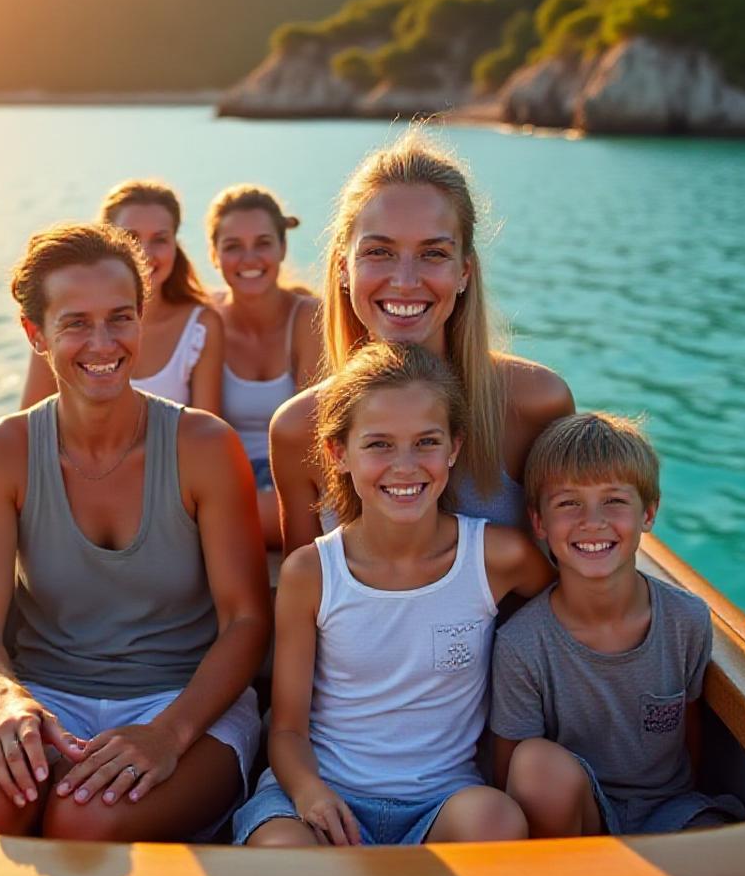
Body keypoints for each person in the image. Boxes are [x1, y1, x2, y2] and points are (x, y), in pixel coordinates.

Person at [0, 222, 270, 841]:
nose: (102, 342)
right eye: (75, 323)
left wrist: (167, 734)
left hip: (182, 702)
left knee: (85, 823)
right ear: (36, 334)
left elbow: (246, 621)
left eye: (121, 318)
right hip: (38, 691)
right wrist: (2, 699)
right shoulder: (1, 453)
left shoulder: (204, 446)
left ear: (143, 321)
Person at [234, 341, 554, 847]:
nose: (404, 466)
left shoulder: (499, 558)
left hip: (444, 798)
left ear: (454, 448)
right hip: (322, 792)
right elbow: (288, 728)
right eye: (379, 444)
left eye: (426, 442)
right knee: (279, 851)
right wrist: (310, 792)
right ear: (338, 454)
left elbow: (566, 617)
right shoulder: (312, 572)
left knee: (497, 822)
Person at [269, 132, 573, 553]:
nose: (406, 281)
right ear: (344, 267)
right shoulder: (297, 428)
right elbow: (306, 596)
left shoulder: (536, 403)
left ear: (464, 271)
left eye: (433, 254)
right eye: (379, 252)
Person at [490, 412, 745, 836]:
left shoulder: (687, 620)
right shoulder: (522, 644)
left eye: (614, 501)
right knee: (535, 763)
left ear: (648, 513)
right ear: (539, 522)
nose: (593, 521)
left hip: (671, 809)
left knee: (722, 838)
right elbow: (509, 774)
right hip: (583, 819)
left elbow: (691, 728)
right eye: (569, 503)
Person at [23, 179, 224, 414]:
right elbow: (29, 426)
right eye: (131, 239)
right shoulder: (61, 328)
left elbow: (206, 430)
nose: (145, 254)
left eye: (160, 239)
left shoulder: (201, 327)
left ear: (175, 244)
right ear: (108, 245)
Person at [205, 185, 321, 554]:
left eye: (263, 243)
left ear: (283, 248)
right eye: (233, 246)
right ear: (214, 254)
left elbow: (311, 433)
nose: (249, 258)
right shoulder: (205, 319)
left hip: (294, 478)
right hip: (226, 479)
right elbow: (202, 431)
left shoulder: (308, 316)